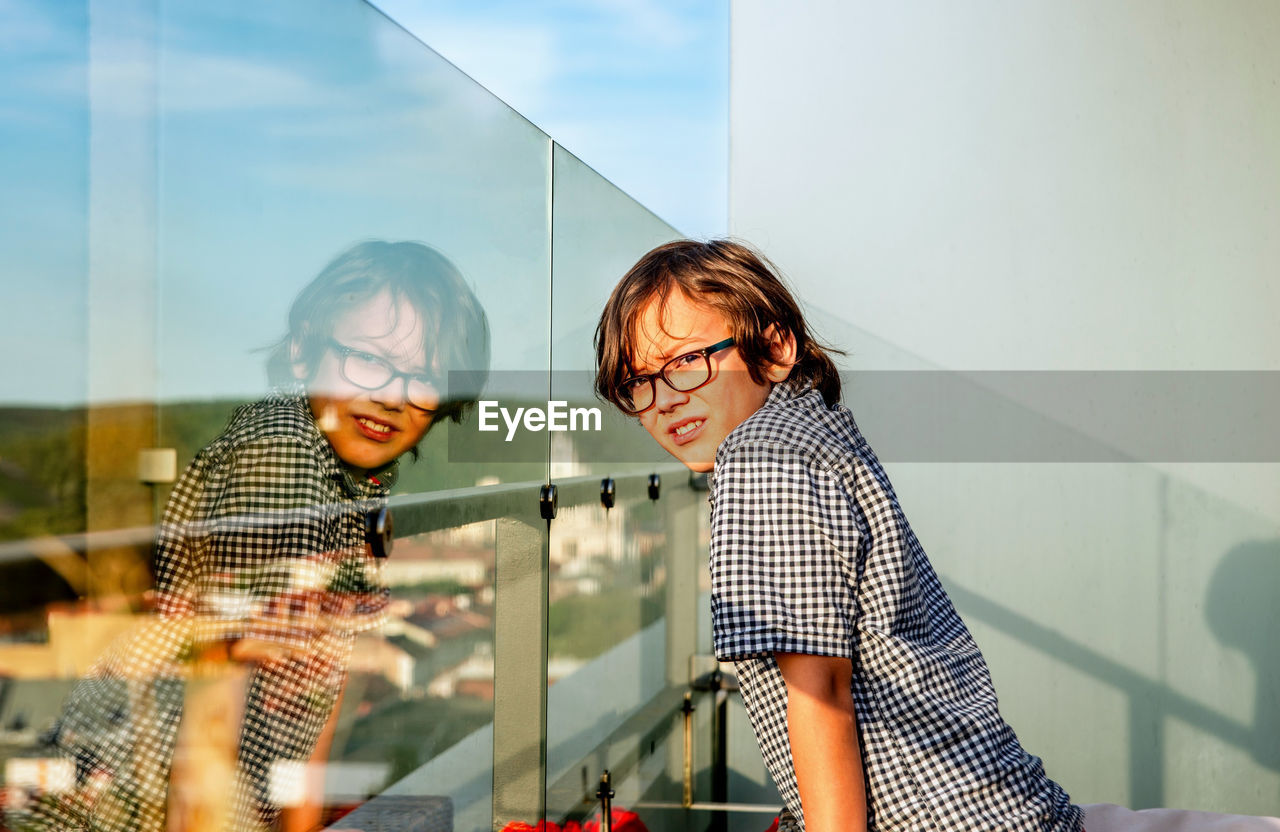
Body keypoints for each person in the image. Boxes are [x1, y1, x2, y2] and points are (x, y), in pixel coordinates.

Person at [593, 239, 1082, 832]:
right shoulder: (813, 426)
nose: (665, 399)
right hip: (990, 800)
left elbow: (820, 687)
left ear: (774, 349)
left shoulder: (757, 455)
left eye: (686, 363)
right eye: (637, 383)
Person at [16, 240, 489, 832]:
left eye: (423, 375)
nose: (392, 394)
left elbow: (313, 677)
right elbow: (217, 686)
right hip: (148, 797)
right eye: (367, 359)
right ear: (301, 349)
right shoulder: (281, 458)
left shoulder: (350, 471)